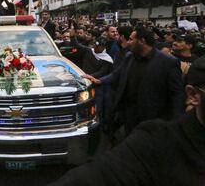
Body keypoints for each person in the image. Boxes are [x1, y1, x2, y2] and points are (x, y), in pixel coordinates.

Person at [47, 56, 205, 186]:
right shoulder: (157, 144)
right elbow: (97, 176)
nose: (129, 41)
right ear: (193, 95)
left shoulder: (166, 62)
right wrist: (99, 80)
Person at [84, 26, 184, 136]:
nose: (128, 42)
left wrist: (175, 125)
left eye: (132, 39)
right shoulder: (130, 56)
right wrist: (99, 80)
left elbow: (177, 95)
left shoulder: (168, 63)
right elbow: (116, 74)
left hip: (152, 117)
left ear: (142, 41)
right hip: (129, 113)